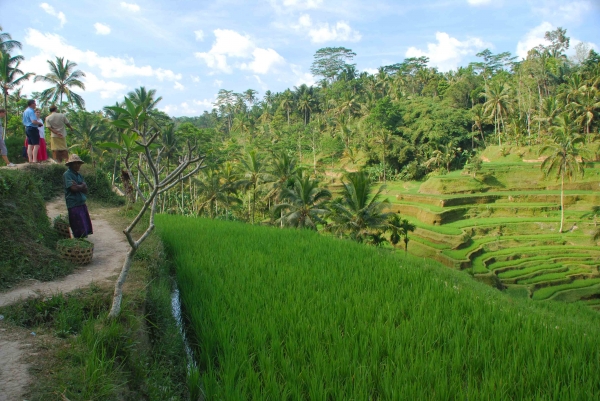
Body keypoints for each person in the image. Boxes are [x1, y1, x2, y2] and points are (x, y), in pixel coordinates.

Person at [64, 154, 93, 238]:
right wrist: (82, 186)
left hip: (81, 203)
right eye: (75, 163)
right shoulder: (67, 175)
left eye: (78, 163)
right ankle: (78, 241)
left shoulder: (79, 175)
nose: (77, 165)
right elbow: (73, 188)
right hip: (73, 203)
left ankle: (82, 239)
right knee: (77, 224)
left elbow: (86, 189)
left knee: (83, 224)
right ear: (71, 164)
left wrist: (79, 186)